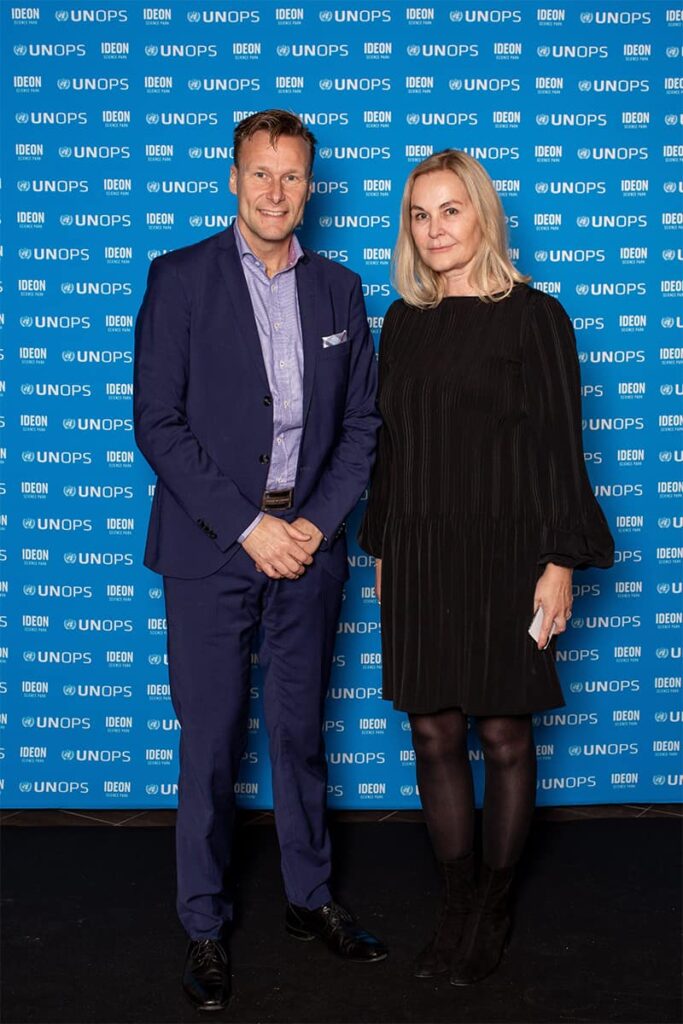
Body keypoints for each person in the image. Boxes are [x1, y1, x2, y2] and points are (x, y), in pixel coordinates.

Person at [134, 109, 386, 1013]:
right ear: (233, 178)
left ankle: (309, 897)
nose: (275, 191)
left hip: (308, 549)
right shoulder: (179, 277)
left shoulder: (340, 290)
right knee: (210, 743)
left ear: (310, 188)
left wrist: (312, 525)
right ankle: (204, 923)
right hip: (213, 548)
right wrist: (249, 527)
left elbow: (361, 425)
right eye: (261, 173)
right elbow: (157, 422)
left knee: (298, 735)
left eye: (292, 176)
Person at [358, 149, 614, 987]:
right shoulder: (403, 321)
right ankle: (456, 902)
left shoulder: (536, 317)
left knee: (503, 733)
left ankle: (495, 909)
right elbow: (391, 451)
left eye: (449, 210)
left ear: (481, 216)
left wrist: (560, 562)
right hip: (420, 551)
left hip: (509, 555)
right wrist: (383, 547)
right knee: (431, 730)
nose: (433, 229)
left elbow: (559, 450)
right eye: (418, 215)